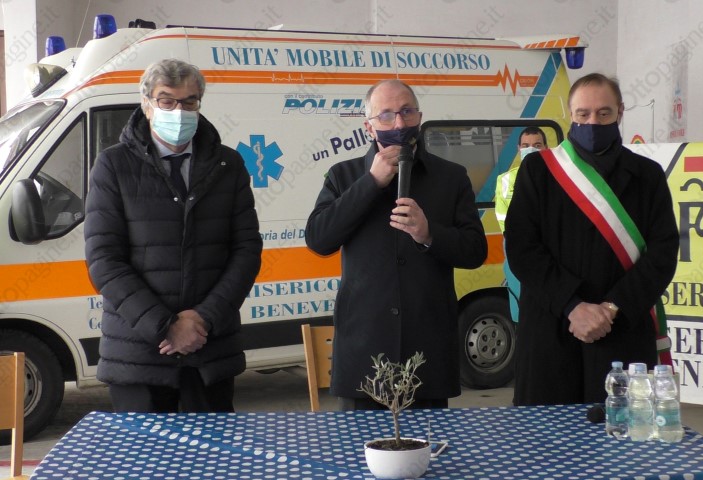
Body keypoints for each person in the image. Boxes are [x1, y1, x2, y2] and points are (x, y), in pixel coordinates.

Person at [84, 59, 262, 413]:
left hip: (209, 349)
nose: (179, 111)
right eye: (167, 100)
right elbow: (104, 260)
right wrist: (165, 326)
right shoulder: (113, 165)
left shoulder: (228, 165)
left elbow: (246, 250)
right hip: (138, 355)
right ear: (147, 104)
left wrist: (202, 320)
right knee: (142, 452)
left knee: (213, 450)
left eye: (189, 101)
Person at [305, 79, 488, 410]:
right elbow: (319, 239)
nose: (399, 123)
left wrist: (429, 234)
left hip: (428, 352)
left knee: (430, 445)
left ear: (420, 117)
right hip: (363, 354)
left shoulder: (451, 177)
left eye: (407, 112)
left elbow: (475, 251)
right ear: (369, 127)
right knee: (359, 445)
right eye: (386, 115)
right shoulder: (343, 175)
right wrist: (370, 183)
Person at [505, 73, 679, 405]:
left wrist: (611, 308)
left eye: (604, 113)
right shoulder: (538, 171)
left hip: (622, 330)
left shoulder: (647, 175)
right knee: (546, 434)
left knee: (623, 433)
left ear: (620, 112)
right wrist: (572, 306)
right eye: (583, 114)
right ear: (570, 114)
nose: (592, 123)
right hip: (551, 330)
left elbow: (663, 253)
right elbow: (522, 248)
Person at [494, 127, 548, 322]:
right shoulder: (505, 180)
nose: (530, 149)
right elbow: (502, 218)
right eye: (525, 145)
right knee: (523, 310)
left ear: (546, 147)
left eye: (537, 145)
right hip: (517, 250)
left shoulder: (558, 178)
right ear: (518, 149)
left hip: (549, 251)